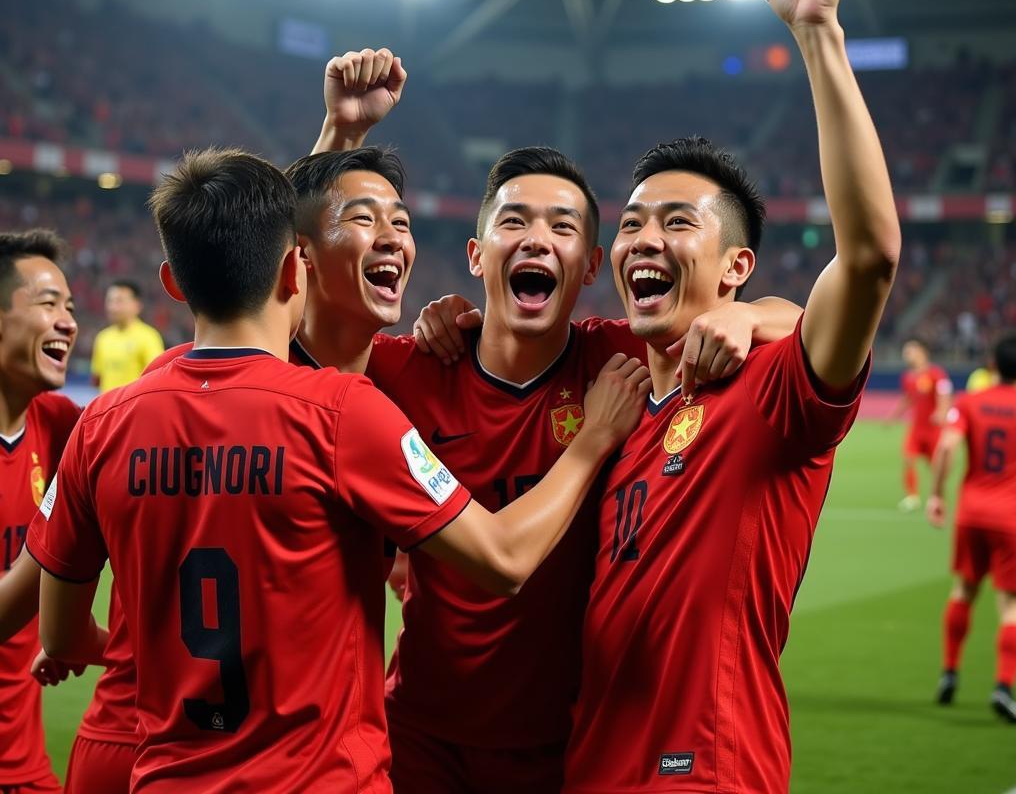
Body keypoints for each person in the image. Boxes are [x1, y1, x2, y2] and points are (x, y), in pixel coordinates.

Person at [27, 148, 651, 793]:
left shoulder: (102, 421)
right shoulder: (348, 409)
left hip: (162, 771)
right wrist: (594, 439)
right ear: (296, 269)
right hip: (322, 777)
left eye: (401, 221)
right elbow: (503, 559)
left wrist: (144, 649)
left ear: (173, 283)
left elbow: (61, 635)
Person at [560, 0, 901, 794]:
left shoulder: (771, 391)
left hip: (705, 764)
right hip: (595, 763)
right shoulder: (617, 407)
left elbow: (867, 260)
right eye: (634, 221)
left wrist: (818, 31)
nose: (645, 237)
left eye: (680, 222)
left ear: (736, 268)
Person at [0, 230, 80, 793]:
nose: (69, 323)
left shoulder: (55, 424)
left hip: (26, 771)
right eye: (48, 304)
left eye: (71, 308)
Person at [928, 333, 1016, 723]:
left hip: (971, 513)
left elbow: (948, 447)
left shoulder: (969, 402)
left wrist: (936, 495)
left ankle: (950, 672)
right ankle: (1003, 686)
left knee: (964, 591)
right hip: (1013, 517)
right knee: (1015, 605)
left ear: (992, 365)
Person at [892, 338, 952, 511]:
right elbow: (908, 399)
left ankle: (937, 496)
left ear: (922, 352)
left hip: (934, 430)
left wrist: (941, 411)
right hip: (916, 429)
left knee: (936, 467)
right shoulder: (908, 377)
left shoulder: (936, 374)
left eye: (910, 351)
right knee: (908, 459)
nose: (907, 355)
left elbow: (944, 395)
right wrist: (894, 416)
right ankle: (912, 497)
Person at [90, 279, 165, 392]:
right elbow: (96, 378)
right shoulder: (102, 338)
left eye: (119, 301)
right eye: (110, 301)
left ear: (137, 305)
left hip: (134, 407)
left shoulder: (148, 337)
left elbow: (157, 377)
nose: (113, 307)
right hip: (106, 407)